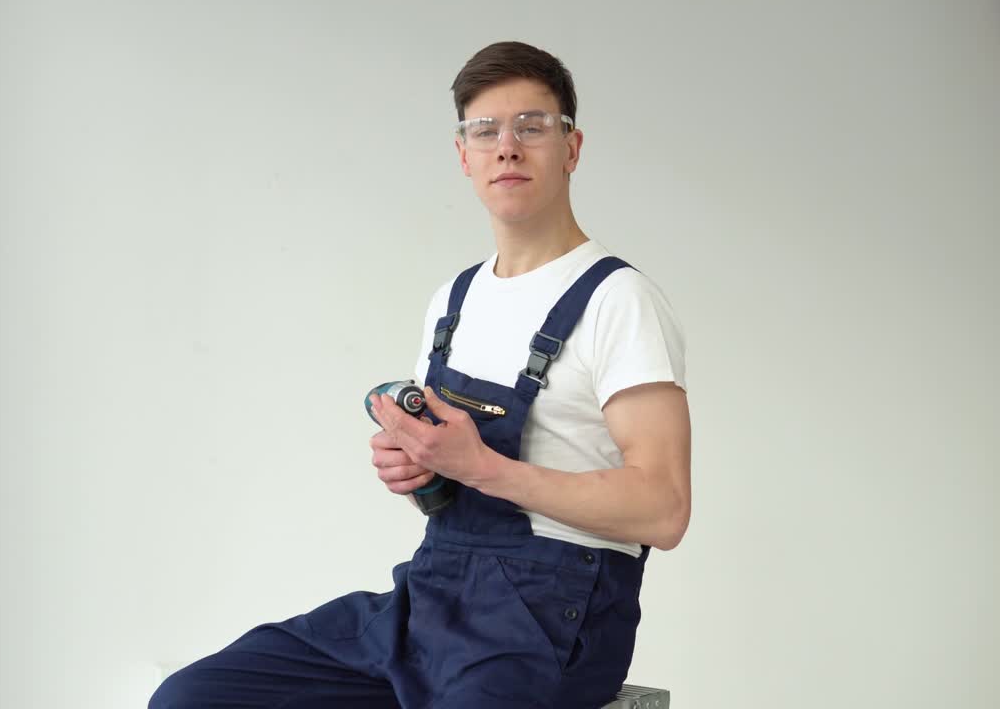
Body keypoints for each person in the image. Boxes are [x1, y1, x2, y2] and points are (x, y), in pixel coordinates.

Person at [149, 40, 691, 709]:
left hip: (553, 621)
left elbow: (664, 510)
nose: (508, 147)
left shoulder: (618, 300)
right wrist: (423, 471)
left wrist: (483, 468)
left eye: (533, 127)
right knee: (195, 698)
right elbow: (449, 482)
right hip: (432, 597)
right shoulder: (453, 301)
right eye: (485, 130)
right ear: (464, 156)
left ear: (571, 148)